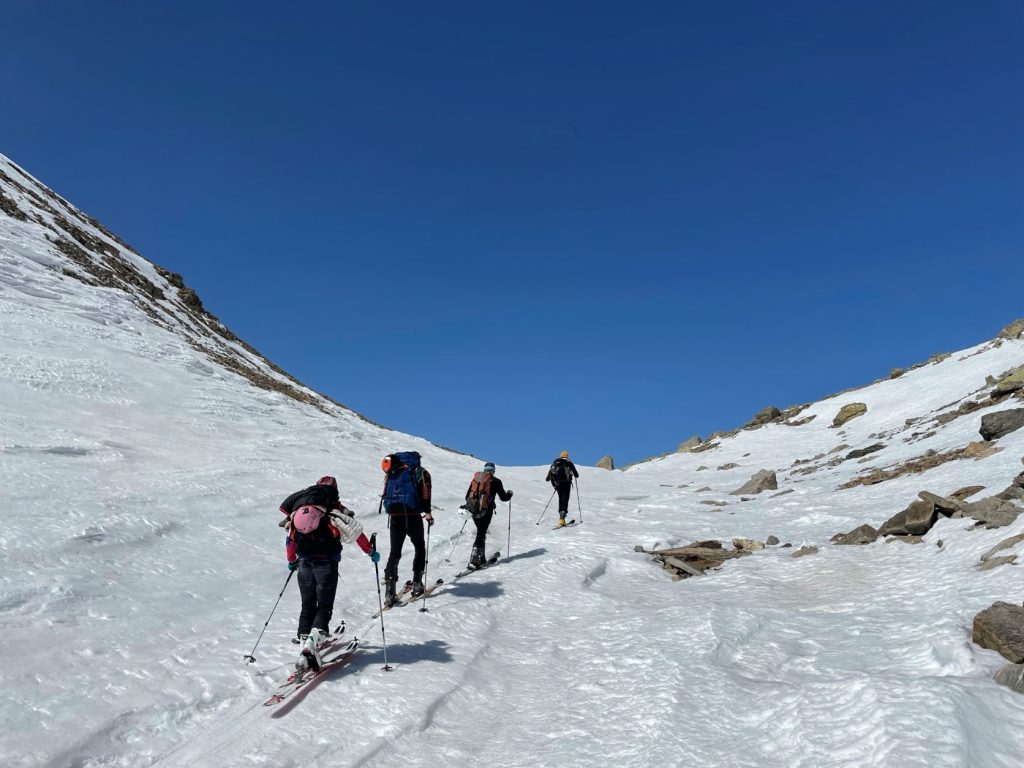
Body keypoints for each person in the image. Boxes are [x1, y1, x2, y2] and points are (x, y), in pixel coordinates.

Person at [279, 476, 379, 671]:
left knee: (307, 605)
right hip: (326, 566)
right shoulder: (333, 512)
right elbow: (357, 534)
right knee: (324, 607)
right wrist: (371, 552)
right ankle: (311, 645)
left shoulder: (299, 513)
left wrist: (292, 561)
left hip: (304, 564)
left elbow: (290, 540)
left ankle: (305, 644)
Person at [380, 452, 433, 606]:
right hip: (412, 516)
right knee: (419, 547)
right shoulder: (420, 471)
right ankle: (417, 583)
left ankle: (389, 592)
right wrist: (427, 512)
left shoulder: (392, 471)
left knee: (394, 552)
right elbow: (426, 493)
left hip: (395, 516)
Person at [464, 462, 513, 568]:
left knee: (481, 532)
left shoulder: (476, 480)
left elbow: (467, 496)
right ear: (493, 471)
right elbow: (504, 498)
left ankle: (481, 558)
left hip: (474, 510)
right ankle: (475, 560)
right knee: (481, 532)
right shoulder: (496, 481)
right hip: (486, 511)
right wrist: (510, 494)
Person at [545, 450, 579, 526]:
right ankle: (562, 519)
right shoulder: (568, 462)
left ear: (561, 456)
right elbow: (576, 475)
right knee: (565, 500)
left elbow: (548, 477)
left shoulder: (555, 463)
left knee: (560, 500)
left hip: (558, 485)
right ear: (567, 456)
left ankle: (562, 520)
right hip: (566, 484)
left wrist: (554, 485)